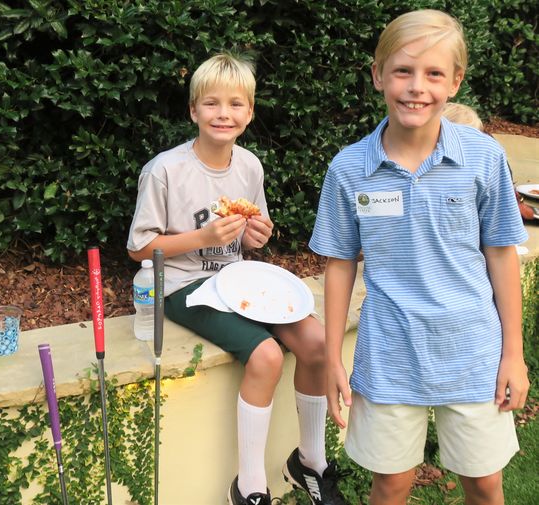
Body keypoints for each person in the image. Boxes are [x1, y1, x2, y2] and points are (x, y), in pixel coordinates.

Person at [310, 9, 529, 505]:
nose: (416, 87)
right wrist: (331, 359)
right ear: (377, 75)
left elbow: (501, 254)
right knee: (389, 484)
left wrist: (512, 354)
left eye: (433, 73)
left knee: (485, 483)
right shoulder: (349, 169)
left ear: (455, 82)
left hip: (474, 349)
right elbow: (340, 263)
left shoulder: (483, 156)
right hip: (389, 353)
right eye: (403, 71)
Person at [128, 53, 346, 505]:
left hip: (237, 279)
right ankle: (248, 487)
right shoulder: (165, 170)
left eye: (234, 105)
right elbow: (139, 249)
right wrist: (201, 237)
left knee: (319, 344)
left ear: (249, 113)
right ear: (193, 111)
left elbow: (250, 240)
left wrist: (256, 235)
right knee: (266, 356)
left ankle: (309, 460)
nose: (222, 114)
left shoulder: (249, 166)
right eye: (210, 104)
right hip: (180, 284)